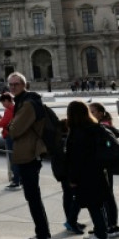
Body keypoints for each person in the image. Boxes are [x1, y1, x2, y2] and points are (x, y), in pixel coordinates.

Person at [7, 71, 52, 239]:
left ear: (23, 85)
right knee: (32, 195)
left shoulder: (27, 104)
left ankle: (42, 233)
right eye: (10, 84)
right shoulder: (24, 101)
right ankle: (42, 231)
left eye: (16, 84)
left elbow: (14, 130)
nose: (12, 87)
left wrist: (11, 126)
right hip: (28, 152)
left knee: (33, 196)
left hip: (29, 154)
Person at [65, 101, 110, 239]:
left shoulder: (77, 132)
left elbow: (74, 159)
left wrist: (72, 179)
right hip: (98, 172)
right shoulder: (96, 127)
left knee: (93, 207)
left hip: (84, 175)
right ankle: (101, 231)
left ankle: (101, 233)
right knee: (98, 205)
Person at [90, 103, 119, 236]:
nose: (91, 114)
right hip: (103, 166)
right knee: (104, 196)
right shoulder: (100, 126)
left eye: (94, 112)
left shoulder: (103, 127)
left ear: (101, 113)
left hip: (106, 167)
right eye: (89, 111)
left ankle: (111, 225)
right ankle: (104, 224)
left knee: (107, 196)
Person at [0, 92, 20, 190]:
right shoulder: (16, 108)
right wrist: (1, 117)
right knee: (17, 158)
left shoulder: (8, 110)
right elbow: (7, 121)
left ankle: (16, 181)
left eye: (3, 102)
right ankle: (18, 179)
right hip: (16, 135)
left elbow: (2, 123)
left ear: (7, 100)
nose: (3, 104)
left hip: (9, 136)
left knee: (13, 159)